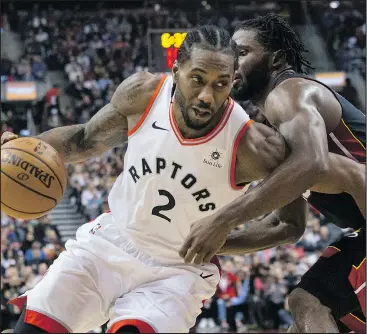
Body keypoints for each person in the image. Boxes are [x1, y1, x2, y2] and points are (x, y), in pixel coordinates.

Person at [0, 25, 299, 334]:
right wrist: (21, 149)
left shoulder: (253, 146)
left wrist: (221, 240)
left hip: (176, 272)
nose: (207, 96)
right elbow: (81, 139)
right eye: (197, 79)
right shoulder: (143, 95)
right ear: (176, 70)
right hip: (111, 241)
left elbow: (288, 226)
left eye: (220, 84)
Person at [179, 14, 365, 333]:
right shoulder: (268, 127)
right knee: (305, 317)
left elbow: (314, 164)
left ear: (275, 58)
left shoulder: (289, 92)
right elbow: (285, 226)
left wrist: (221, 221)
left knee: (308, 303)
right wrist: (197, 244)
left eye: (241, 53)